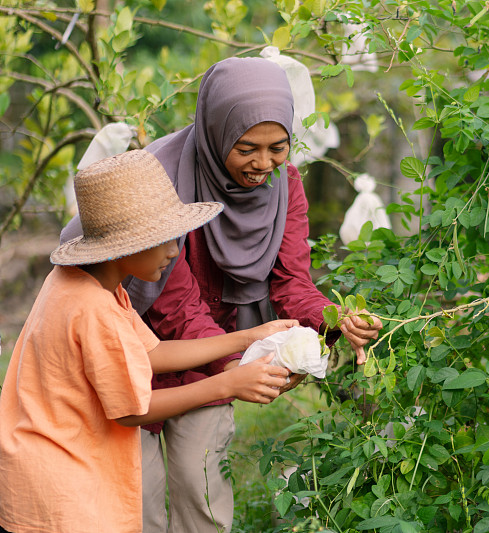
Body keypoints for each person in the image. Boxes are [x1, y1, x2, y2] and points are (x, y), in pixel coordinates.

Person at [61, 56, 383, 532]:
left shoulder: (284, 186)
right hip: (134, 347)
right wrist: (238, 371)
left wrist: (336, 318)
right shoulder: (163, 182)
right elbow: (175, 306)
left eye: (278, 148)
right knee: (136, 500)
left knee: (203, 489)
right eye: (247, 148)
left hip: (215, 348)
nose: (263, 164)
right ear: (215, 132)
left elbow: (293, 281)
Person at [0, 150, 299, 533]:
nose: (175, 252)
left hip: (49, 463)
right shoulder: (93, 307)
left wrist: (247, 336)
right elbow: (132, 410)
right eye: (165, 240)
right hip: (63, 486)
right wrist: (226, 384)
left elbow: (151, 352)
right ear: (128, 245)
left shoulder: (85, 283)